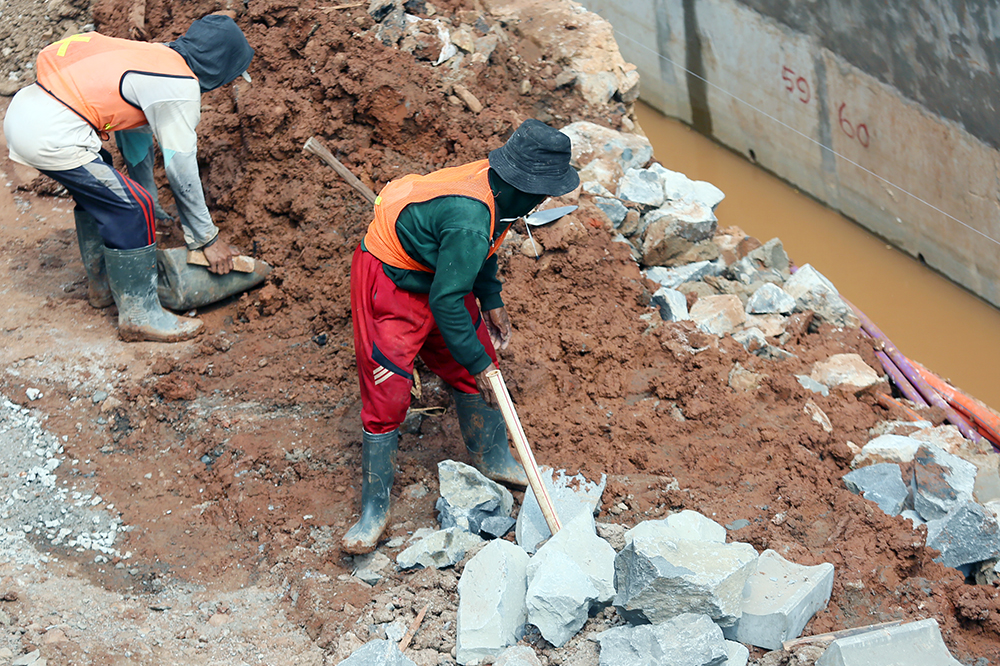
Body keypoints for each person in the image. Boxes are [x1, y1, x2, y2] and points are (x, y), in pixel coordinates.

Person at [344, 119, 580, 553]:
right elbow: (450, 297)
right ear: (524, 184)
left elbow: (482, 247)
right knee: (389, 387)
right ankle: (374, 508)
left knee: (472, 357)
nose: (546, 199)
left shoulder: (501, 194)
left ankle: (492, 457)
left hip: (441, 276)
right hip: (391, 280)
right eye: (546, 190)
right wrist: (483, 367)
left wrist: (491, 299)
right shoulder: (470, 213)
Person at [2, 15, 254, 342]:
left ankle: (102, 286)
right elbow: (181, 169)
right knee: (134, 208)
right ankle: (140, 316)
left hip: (29, 111)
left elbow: (132, 133)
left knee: (110, 193)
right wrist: (206, 240)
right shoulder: (179, 85)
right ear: (219, 65)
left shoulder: (153, 57)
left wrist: (151, 199)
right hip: (51, 134)